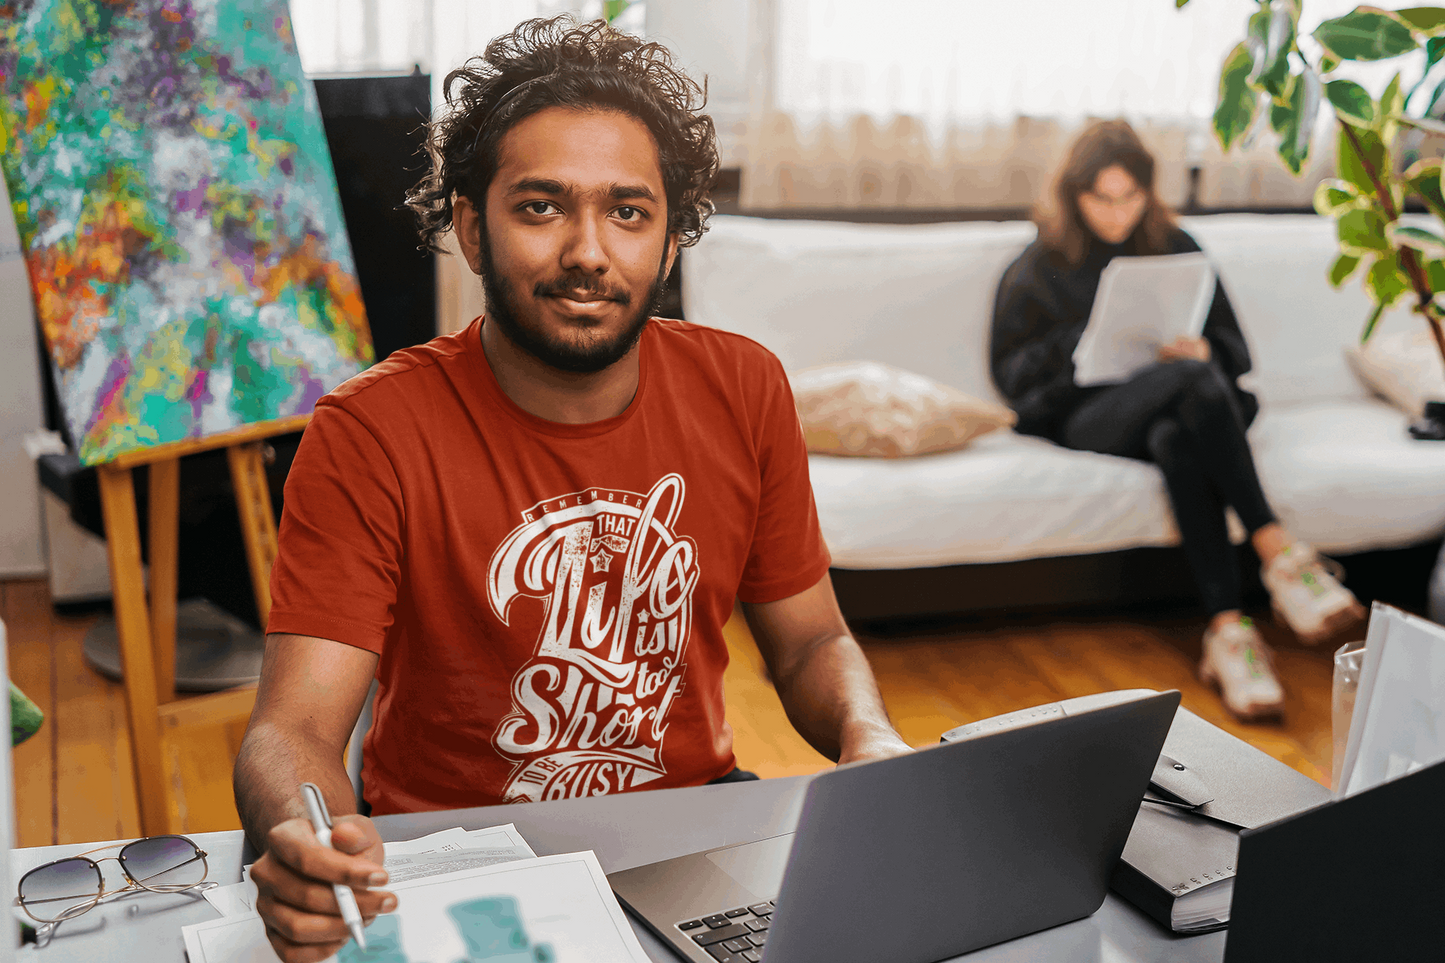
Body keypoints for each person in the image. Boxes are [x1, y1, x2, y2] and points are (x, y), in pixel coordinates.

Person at [233, 18, 910, 963]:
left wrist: (868, 738)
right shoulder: (369, 431)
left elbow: (811, 646)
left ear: (671, 240)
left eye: (628, 212)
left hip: (693, 831)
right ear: (470, 225)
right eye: (542, 207)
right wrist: (303, 840)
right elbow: (294, 728)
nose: (590, 251)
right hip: (447, 857)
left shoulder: (746, 387)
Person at [990, 120, 1364, 723]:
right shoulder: (1040, 263)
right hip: (1087, 415)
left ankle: (1228, 633)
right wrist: (1080, 346)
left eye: (1131, 197)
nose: (1118, 213)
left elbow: (1237, 355)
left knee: (1179, 432)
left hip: (1175, 415)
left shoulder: (1176, 244)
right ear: (1074, 194)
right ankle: (1280, 553)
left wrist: (1202, 352)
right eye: (1102, 199)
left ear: (1148, 192)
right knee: (1193, 391)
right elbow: (1013, 384)